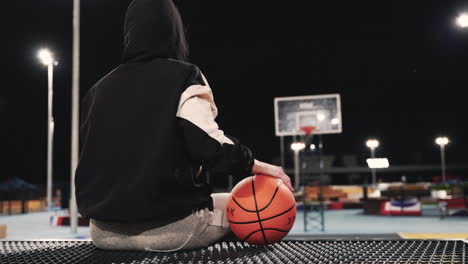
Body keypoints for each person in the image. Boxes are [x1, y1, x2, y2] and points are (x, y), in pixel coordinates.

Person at [75, 0, 293, 251]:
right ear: (174, 32)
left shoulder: (97, 90)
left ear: (129, 33)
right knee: (251, 208)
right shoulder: (184, 76)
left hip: (103, 234)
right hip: (173, 232)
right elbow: (210, 146)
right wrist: (261, 167)